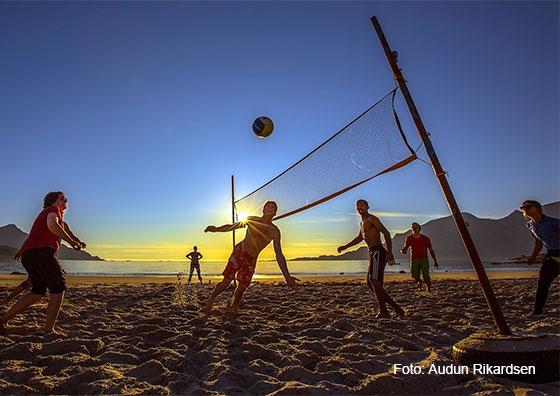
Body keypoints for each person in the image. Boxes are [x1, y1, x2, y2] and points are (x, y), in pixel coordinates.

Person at [1, 191, 86, 334]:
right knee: (58, 287)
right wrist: (71, 242)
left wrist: (77, 242)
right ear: (53, 202)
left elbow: (59, 230)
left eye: (66, 198)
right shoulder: (52, 211)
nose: (66, 200)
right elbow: (52, 225)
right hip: (41, 253)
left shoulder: (59, 219)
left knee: (38, 292)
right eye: (62, 198)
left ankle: (3, 320)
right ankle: (49, 329)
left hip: (30, 255)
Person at [200, 200, 299, 315]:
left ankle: (234, 306)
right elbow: (233, 227)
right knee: (226, 282)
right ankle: (210, 301)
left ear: (275, 213)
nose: (269, 208)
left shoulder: (274, 231)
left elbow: (279, 254)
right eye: (267, 207)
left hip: (251, 259)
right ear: (263, 209)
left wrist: (287, 276)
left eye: (272, 208)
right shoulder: (252, 219)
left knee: (242, 287)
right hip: (240, 251)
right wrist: (216, 229)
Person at [338, 199, 404, 318]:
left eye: (362, 205)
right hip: (372, 253)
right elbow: (359, 238)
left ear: (368, 207)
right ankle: (396, 308)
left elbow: (386, 233)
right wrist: (345, 246)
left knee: (374, 281)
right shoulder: (362, 223)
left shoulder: (372, 219)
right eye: (357, 206)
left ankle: (385, 311)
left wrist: (389, 252)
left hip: (378, 251)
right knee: (370, 283)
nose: (360, 208)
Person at [520, 200, 559, 317]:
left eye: (529, 207)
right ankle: (537, 312)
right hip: (552, 255)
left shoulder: (553, 222)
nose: (525, 209)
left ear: (537, 208)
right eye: (523, 208)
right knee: (543, 283)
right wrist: (533, 257)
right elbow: (538, 241)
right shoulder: (530, 225)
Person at [401, 222, 439, 292]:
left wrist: (435, 261)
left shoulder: (425, 238)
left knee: (426, 275)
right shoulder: (409, 238)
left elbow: (431, 250)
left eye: (415, 227)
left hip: (424, 259)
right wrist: (403, 250)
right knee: (414, 275)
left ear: (419, 229)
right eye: (413, 227)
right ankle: (420, 281)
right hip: (414, 259)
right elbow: (405, 248)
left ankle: (428, 289)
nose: (414, 228)